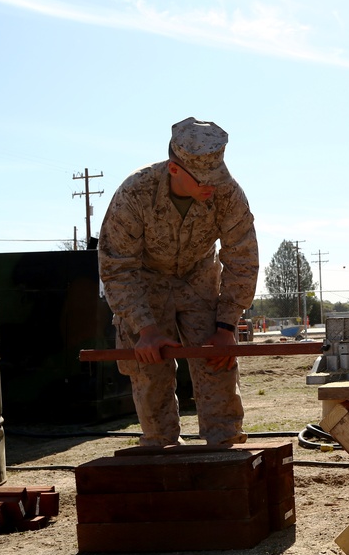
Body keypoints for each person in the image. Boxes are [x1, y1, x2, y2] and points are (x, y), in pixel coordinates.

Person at [98, 117, 260, 447]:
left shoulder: (228, 194)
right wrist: (144, 329)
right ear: (174, 170)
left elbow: (242, 260)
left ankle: (225, 445)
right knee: (149, 367)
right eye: (202, 179)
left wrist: (226, 328)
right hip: (144, 282)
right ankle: (162, 447)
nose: (211, 186)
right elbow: (117, 267)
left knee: (217, 360)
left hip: (199, 279)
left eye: (217, 176)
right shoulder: (134, 193)